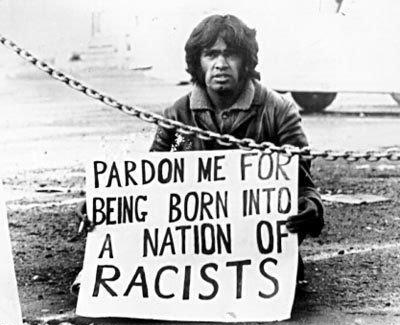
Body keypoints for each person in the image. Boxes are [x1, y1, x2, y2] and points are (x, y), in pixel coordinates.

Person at [76, 14, 323, 285]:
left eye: (231, 55)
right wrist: (105, 205)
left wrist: (311, 208)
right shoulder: (177, 113)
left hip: (258, 258)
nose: (220, 64)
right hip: (193, 256)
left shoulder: (278, 110)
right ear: (198, 62)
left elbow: (303, 183)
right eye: (211, 54)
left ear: (246, 61)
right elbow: (147, 184)